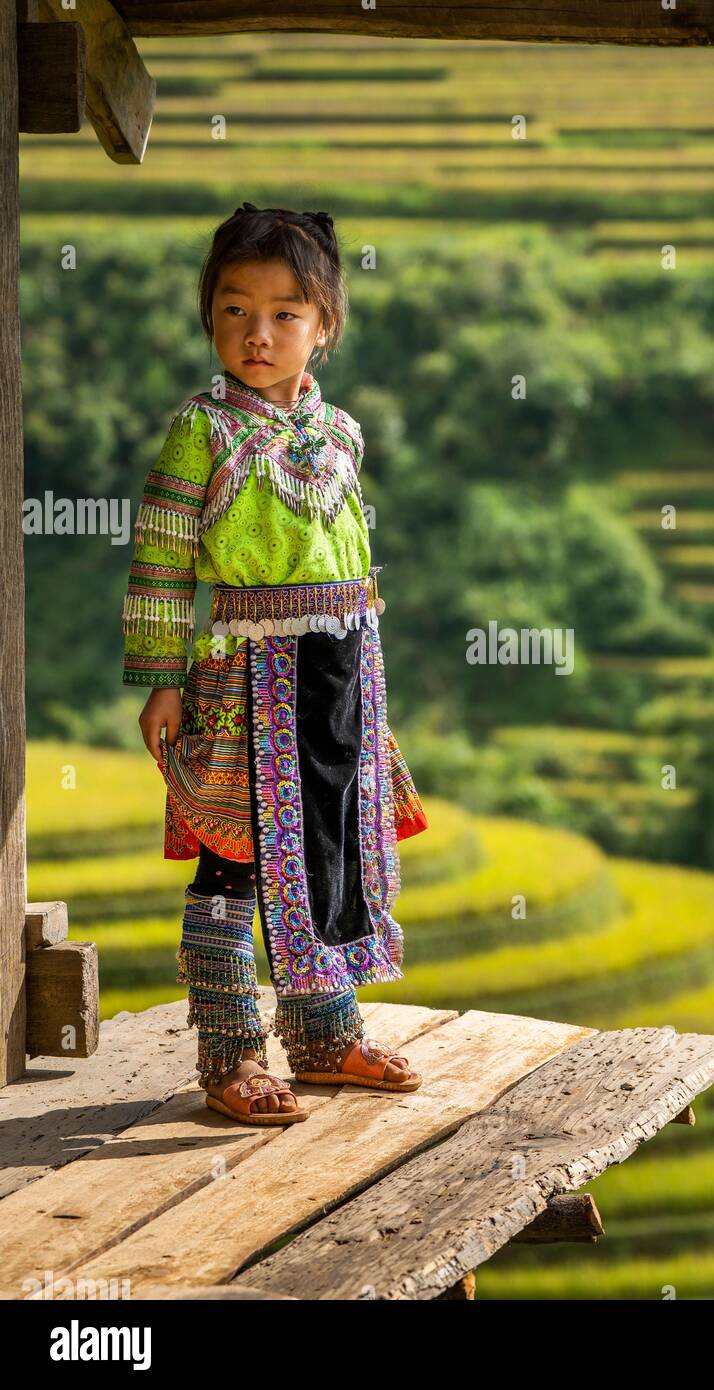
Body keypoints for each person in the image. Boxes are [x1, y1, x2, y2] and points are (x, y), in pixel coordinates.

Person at [121, 202, 428, 1125]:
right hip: (244, 677)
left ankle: (327, 1039)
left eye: (285, 313)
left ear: (324, 326)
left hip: (342, 672)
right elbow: (162, 558)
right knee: (235, 858)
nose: (257, 333)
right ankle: (229, 1056)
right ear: (208, 315)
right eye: (234, 310)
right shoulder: (200, 431)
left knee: (328, 853)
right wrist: (161, 680)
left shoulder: (340, 434)